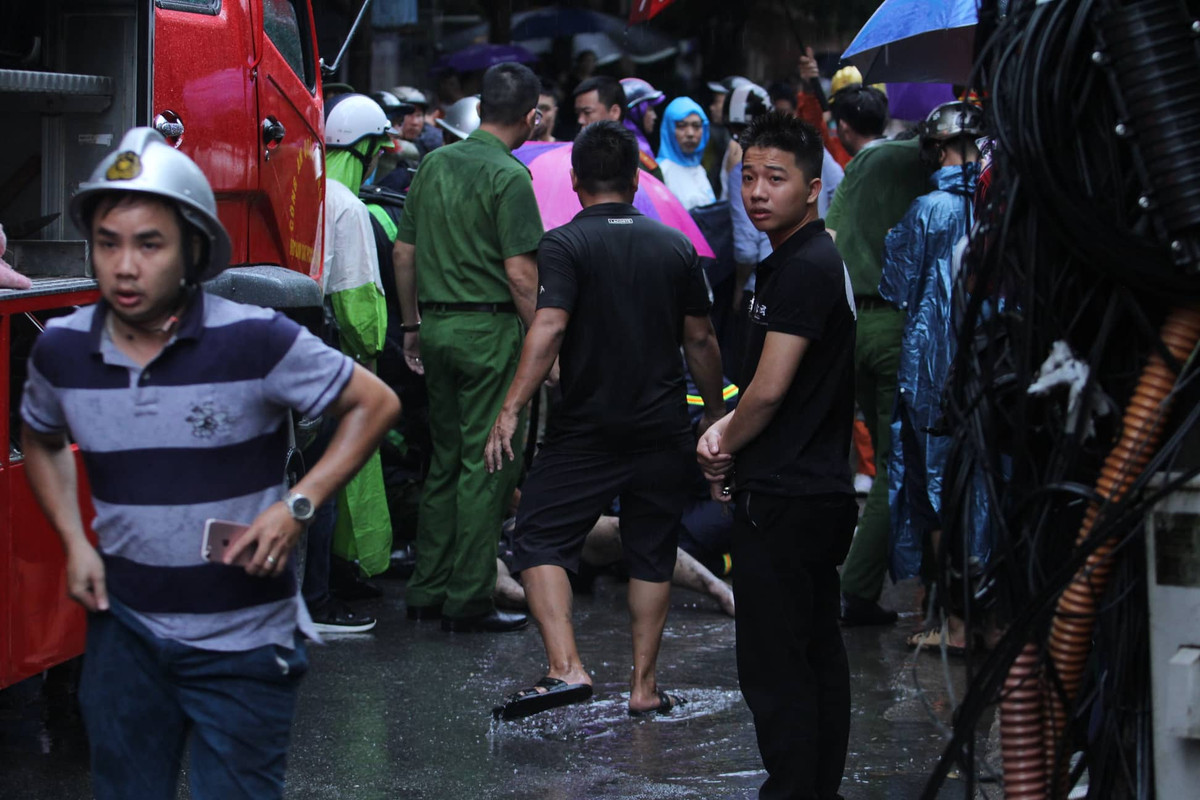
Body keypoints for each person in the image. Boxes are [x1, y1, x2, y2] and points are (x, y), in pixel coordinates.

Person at [19, 127, 399, 798]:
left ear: (193, 249)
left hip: (246, 638)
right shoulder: (62, 349)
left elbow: (374, 403)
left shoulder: (255, 338)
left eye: (149, 244)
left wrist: (296, 506)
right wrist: (74, 540)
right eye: (108, 243)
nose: (125, 266)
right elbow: (42, 438)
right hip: (125, 633)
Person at [486, 120, 725, 720]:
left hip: (588, 427)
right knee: (650, 549)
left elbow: (550, 325)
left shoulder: (564, 244)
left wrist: (510, 408)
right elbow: (701, 340)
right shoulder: (675, 246)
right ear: (637, 181)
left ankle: (566, 667)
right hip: (663, 425)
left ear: (574, 181)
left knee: (538, 534)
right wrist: (714, 418)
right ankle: (644, 689)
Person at [697, 111, 858, 800]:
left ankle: (794, 789)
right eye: (749, 177)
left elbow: (767, 391)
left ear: (814, 188)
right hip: (806, 486)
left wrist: (719, 443)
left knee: (777, 663)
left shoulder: (807, 267)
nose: (758, 192)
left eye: (776, 179)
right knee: (812, 649)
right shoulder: (788, 260)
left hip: (791, 495)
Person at [393, 62, 544, 633]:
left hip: (435, 328)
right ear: (530, 118)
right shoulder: (509, 177)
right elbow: (522, 279)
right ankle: (469, 598)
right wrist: (544, 347)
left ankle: (426, 589)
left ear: (479, 111)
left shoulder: (432, 164)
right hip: (490, 333)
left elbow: (403, 254)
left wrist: (412, 326)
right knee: (489, 466)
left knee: (444, 461)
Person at [879, 102, 984, 654]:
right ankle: (990, 618)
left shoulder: (927, 209)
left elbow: (896, 287)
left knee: (937, 494)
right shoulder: (1004, 203)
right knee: (989, 486)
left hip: (932, 373)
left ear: (938, 151)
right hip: (996, 366)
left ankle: (954, 620)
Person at [825, 83, 931, 628]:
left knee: (888, 456)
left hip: (857, 323)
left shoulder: (869, 162)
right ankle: (859, 586)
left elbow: (832, 233)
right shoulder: (932, 166)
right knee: (899, 463)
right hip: (899, 323)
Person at [658, 97, 717, 211]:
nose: (690, 133)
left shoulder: (699, 169)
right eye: (681, 125)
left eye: (696, 126)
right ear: (669, 129)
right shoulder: (661, 171)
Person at [619, 77, 666, 180]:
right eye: (650, 109)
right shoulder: (625, 150)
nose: (654, 116)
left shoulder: (640, 146)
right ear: (635, 112)